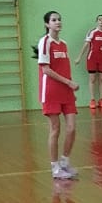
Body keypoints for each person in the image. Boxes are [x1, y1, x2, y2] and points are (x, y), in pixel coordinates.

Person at [34, 10, 79, 180]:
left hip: (66, 91)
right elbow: (46, 70)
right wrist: (68, 82)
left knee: (72, 128)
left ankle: (65, 162)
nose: (58, 22)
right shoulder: (45, 42)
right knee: (55, 129)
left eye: (59, 19)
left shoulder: (64, 44)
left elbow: (64, 68)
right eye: (54, 20)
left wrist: (69, 86)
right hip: (51, 91)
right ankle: (55, 168)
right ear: (47, 24)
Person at [74, 14, 102, 110]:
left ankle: (101, 99)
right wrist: (79, 57)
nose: (101, 21)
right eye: (99, 19)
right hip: (92, 59)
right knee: (92, 79)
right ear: (97, 21)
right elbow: (86, 45)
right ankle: (92, 100)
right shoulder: (92, 32)